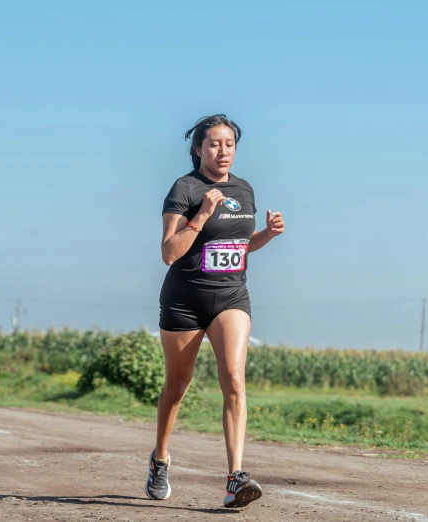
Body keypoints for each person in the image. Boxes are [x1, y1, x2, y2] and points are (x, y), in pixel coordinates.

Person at [145, 114, 285, 508]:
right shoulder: (185, 188)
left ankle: (235, 478)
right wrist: (202, 214)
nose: (222, 151)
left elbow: (240, 246)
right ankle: (159, 459)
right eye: (213, 144)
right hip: (184, 300)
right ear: (197, 149)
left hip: (230, 296)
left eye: (229, 144)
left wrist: (267, 236)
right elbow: (169, 253)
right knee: (177, 387)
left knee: (235, 379)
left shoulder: (245, 189)